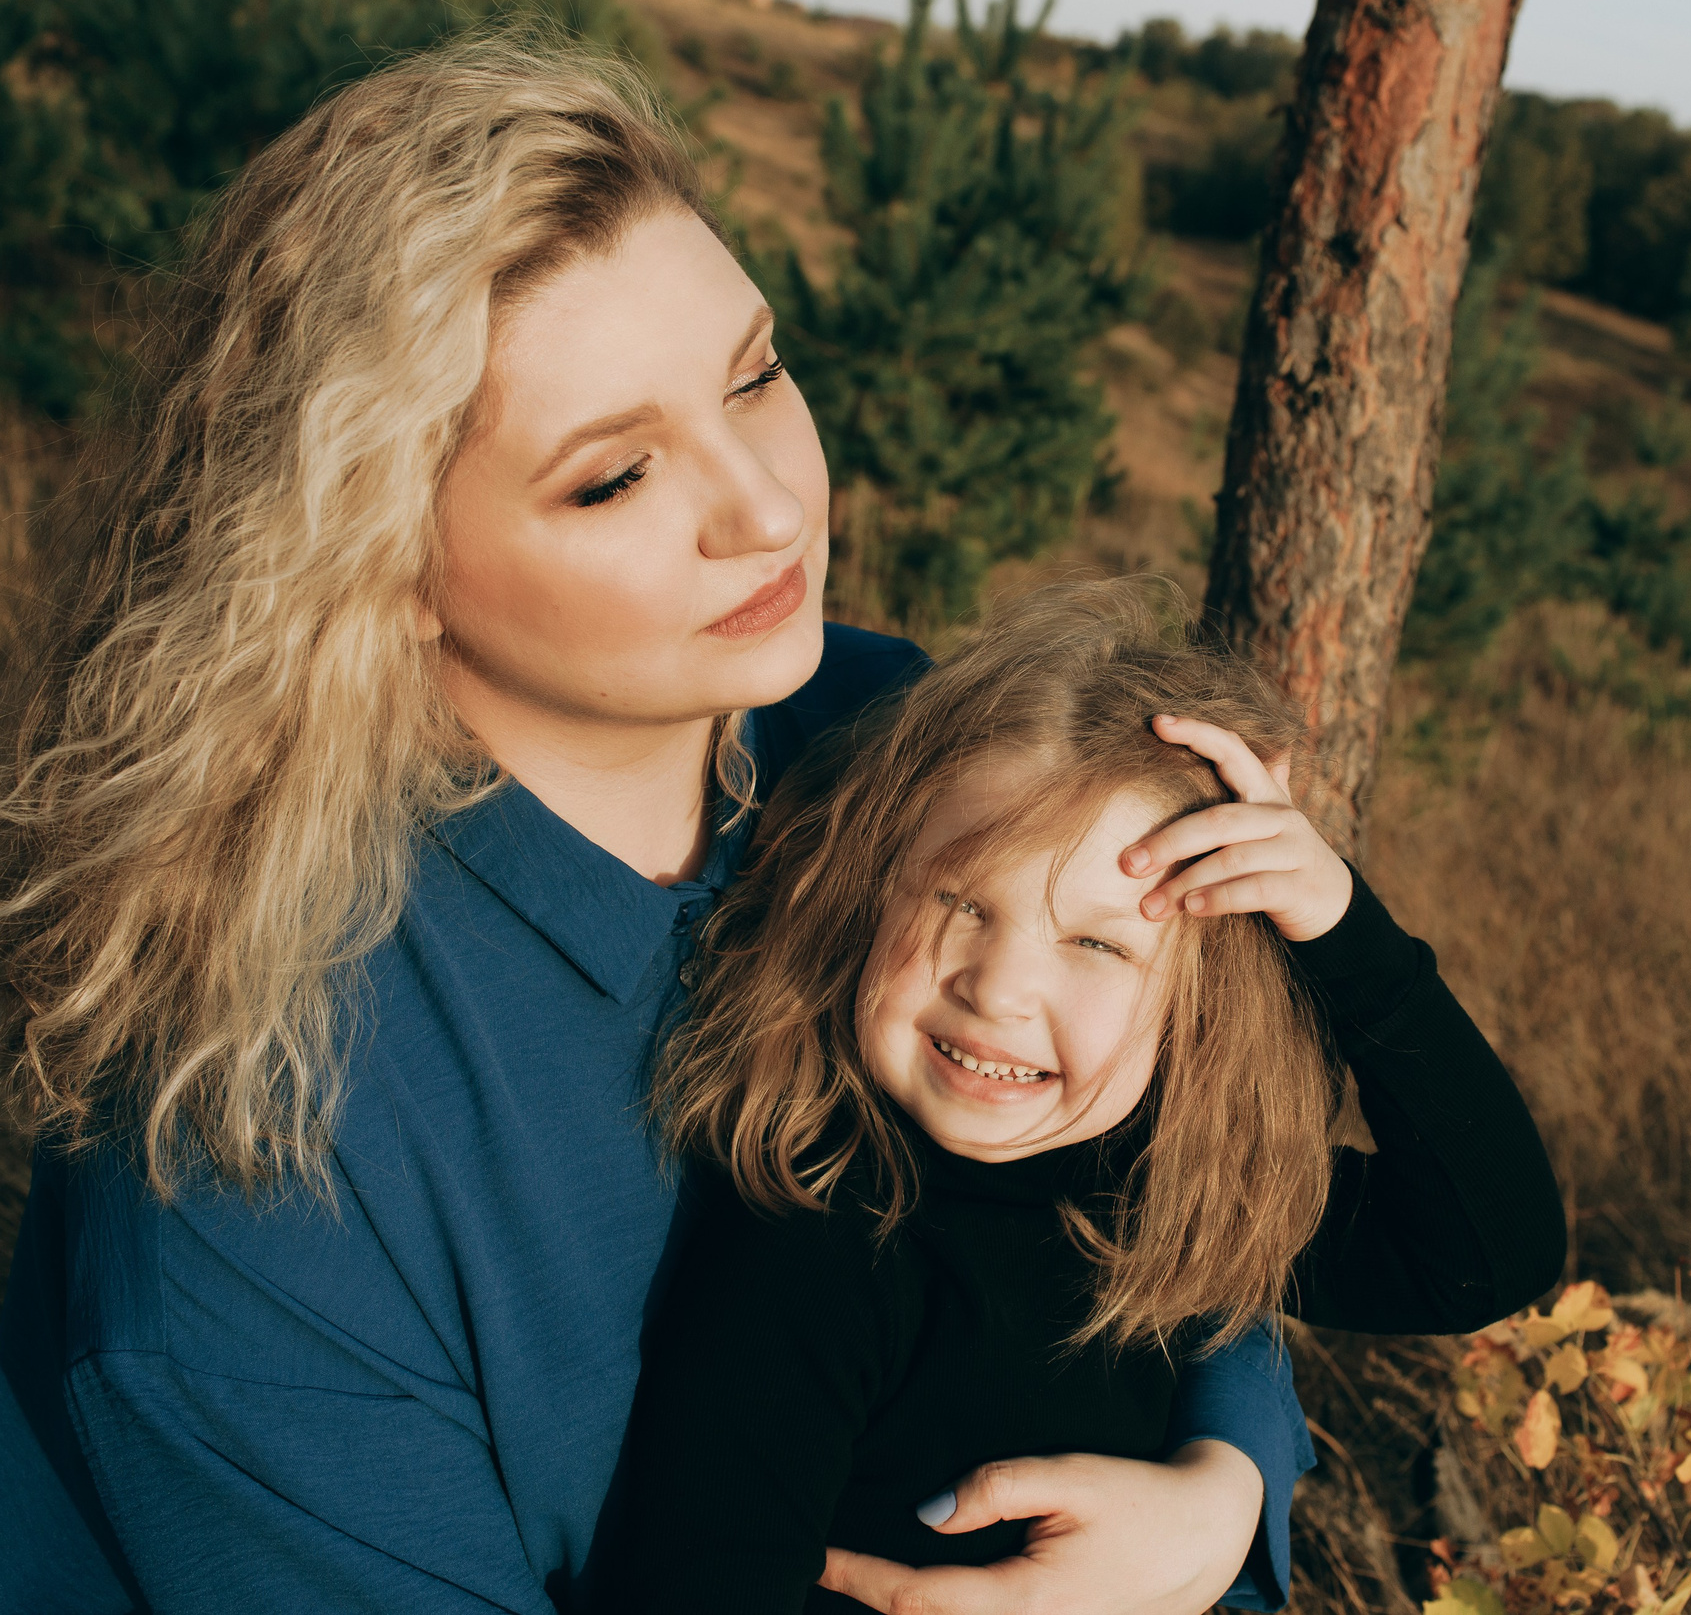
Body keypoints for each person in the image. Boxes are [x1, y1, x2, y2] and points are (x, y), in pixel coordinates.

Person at [0, 33, 1317, 1614]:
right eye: (614, 477)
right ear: (380, 568)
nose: (767, 506)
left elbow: (1160, 1144)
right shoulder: (259, 1146)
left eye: (754, 373)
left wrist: (1221, 1488)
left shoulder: (894, 748)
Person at [613, 582, 1568, 1613]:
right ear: (863, 894)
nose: (999, 987)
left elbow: (1486, 1255)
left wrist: (1339, 926)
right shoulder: (812, 1249)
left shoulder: (1162, 1188)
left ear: (1194, 1010)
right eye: (960, 899)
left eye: (1097, 942)